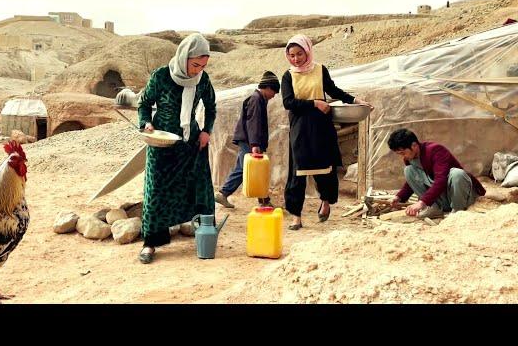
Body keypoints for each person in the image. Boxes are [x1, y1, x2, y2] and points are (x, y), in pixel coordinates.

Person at [137, 33, 217, 264]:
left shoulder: (202, 79)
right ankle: (151, 243)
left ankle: (205, 234)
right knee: (156, 192)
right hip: (161, 142)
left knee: (200, 187)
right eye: (194, 65)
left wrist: (206, 131)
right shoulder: (162, 76)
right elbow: (144, 103)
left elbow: (211, 107)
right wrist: (146, 123)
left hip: (190, 143)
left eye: (202, 65)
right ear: (184, 57)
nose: (197, 70)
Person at [281, 35, 372, 230]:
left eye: (299, 54)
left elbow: (333, 90)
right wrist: (315, 103)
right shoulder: (288, 76)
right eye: (292, 55)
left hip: (321, 126)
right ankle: (296, 216)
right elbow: (288, 102)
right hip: (300, 127)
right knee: (298, 172)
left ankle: (326, 201)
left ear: (307, 51)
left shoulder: (320, 70)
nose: (296, 59)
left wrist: (356, 101)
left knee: (325, 167)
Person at [215, 71, 281, 209]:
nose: (273, 96)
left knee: (251, 168)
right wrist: (255, 144)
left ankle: (261, 199)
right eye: (273, 92)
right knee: (250, 169)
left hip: (249, 140)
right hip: (250, 141)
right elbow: (253, 123)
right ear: (268, 87)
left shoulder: (258, 99)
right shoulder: (256, 100)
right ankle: (262, 200)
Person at [387, 128, 486, 218]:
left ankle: (457, 211)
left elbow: (441, 180)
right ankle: (435, 208)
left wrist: (422, 203)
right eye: (399, 154)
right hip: (444, 196)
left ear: (414, 145)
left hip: (460, 194)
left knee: (457, 174)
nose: (402, 157)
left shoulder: (435, 150)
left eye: (403, 153)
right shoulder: (409, 158)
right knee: (408, 171)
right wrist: (399, 197)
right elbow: (413, 180)